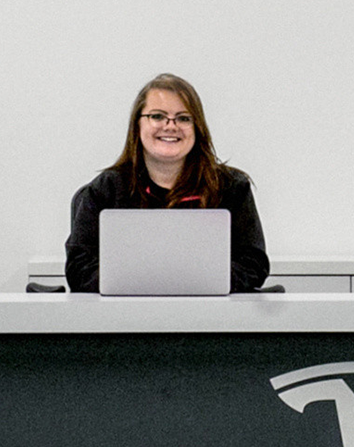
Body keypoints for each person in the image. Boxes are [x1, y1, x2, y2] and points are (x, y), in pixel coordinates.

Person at [65, 73, 272, 293]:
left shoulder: (231, 188)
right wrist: (142, 284)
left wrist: (200, 283)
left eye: (183, 118)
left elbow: (253, 264)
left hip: (212, 317)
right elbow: (79, 269)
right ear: (137, 125)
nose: (170, 126)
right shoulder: (105, 191)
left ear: (197, 127)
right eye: (157, 116)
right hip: (126, 318)